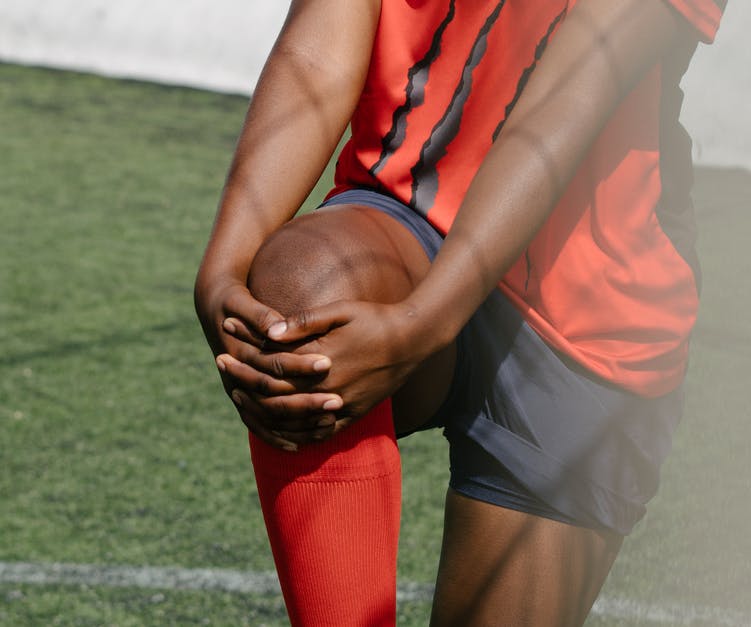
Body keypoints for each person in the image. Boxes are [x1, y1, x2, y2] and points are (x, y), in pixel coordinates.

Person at [194, 0, 723, 624]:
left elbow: (568, 97)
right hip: (403, 220)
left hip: (589, 315)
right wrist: (223, 266)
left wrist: (423, 322)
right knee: (303, 294)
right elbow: (317, 54)